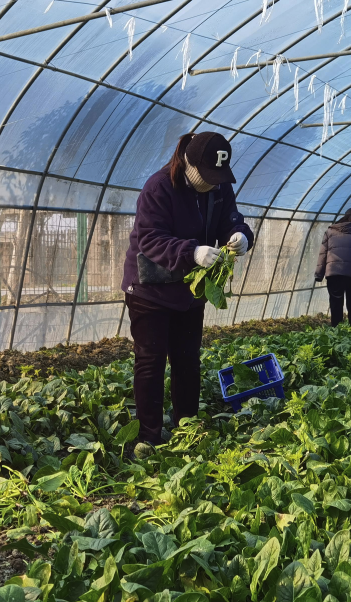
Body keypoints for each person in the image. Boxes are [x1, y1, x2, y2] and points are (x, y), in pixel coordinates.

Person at [121, 132, 255, 445]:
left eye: (218, 176)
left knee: (187, 360)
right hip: (149, 290)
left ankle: (186, 427)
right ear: (188, 163)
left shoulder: (220, 187)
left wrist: (241, 235)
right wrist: (191, 251)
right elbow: (149, 239)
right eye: (207, 175)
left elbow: (231, 220)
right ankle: (148, 436)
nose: (213, 182)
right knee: (150, 361)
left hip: (189, 291)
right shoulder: (159, 187)